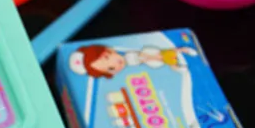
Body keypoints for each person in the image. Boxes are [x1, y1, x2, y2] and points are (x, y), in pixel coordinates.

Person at [69, 43, 198, 79]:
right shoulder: (129, 62)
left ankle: (184, 50)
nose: (115, 64)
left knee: (167, 54)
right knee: (166, 59)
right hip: (149, 60)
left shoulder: (129, 56)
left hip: (149, 55)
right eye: (110, 68)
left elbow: (143, 55)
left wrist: (152, 57)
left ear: (109, 50)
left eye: (107, 57)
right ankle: (181, 67)